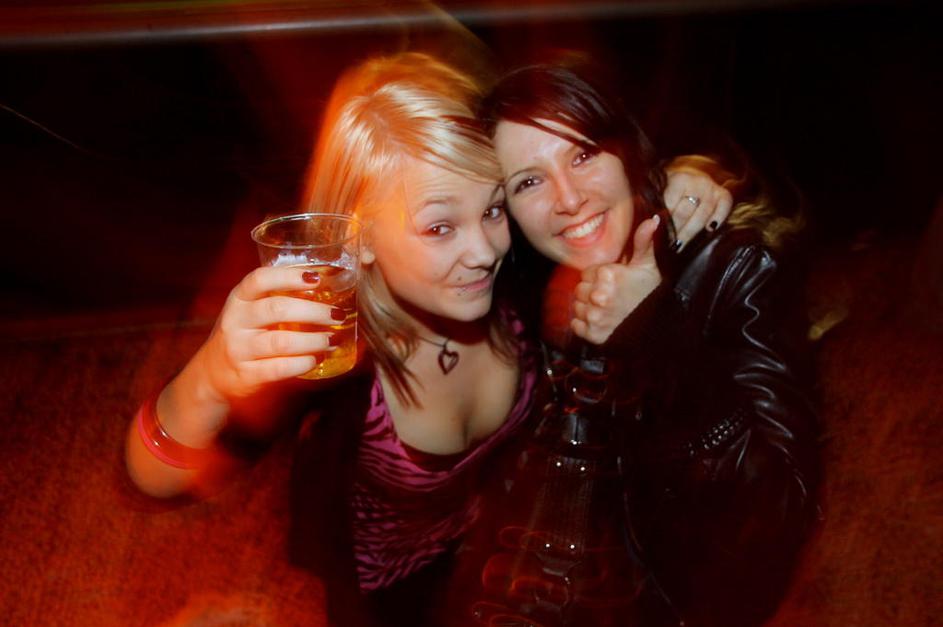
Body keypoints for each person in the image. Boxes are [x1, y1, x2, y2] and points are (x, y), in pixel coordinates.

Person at [124, 52, 731, 626]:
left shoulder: (517, 273)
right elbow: (152, 480)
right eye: (440, 227)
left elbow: (589, 193)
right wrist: (209, 379)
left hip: (503, 550)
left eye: (492, 209)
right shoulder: (329, 347)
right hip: (391, 593)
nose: (485, 250)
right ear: (359, 238)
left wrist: (680, 180)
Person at [474, 58, 821, 626]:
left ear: (625, 147)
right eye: (529, 182)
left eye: (583, 154)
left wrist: (655, 333)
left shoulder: (733, 266)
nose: (568, 198)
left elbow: (780, 509)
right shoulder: (543, 292)